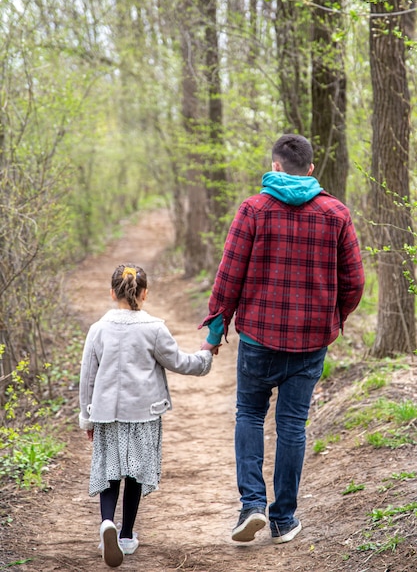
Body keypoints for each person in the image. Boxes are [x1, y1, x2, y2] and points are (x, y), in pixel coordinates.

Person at [199, 134, 365, 545]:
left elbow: (229, 275)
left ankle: (251, 505)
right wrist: (334, 319)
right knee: (292, 425)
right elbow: (355, 282)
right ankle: (283, 519)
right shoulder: (336, 213)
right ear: (310, 170)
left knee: (250, 416)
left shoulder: (253, 210)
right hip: (311, 343)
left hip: (258, 337)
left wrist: (217, 330)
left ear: (275, 167)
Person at [79, 263, 213, 568]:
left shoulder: (98, 329)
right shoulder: (154, 328)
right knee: (136, 475)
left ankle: (105, 527)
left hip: (107, 415)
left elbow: (88, 377)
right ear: (145, 293)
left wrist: (87, 417)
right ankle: (125, 535)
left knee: (110, 472)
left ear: (112, 293)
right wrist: (205, 354)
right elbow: (179, 362)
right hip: (143, 416)